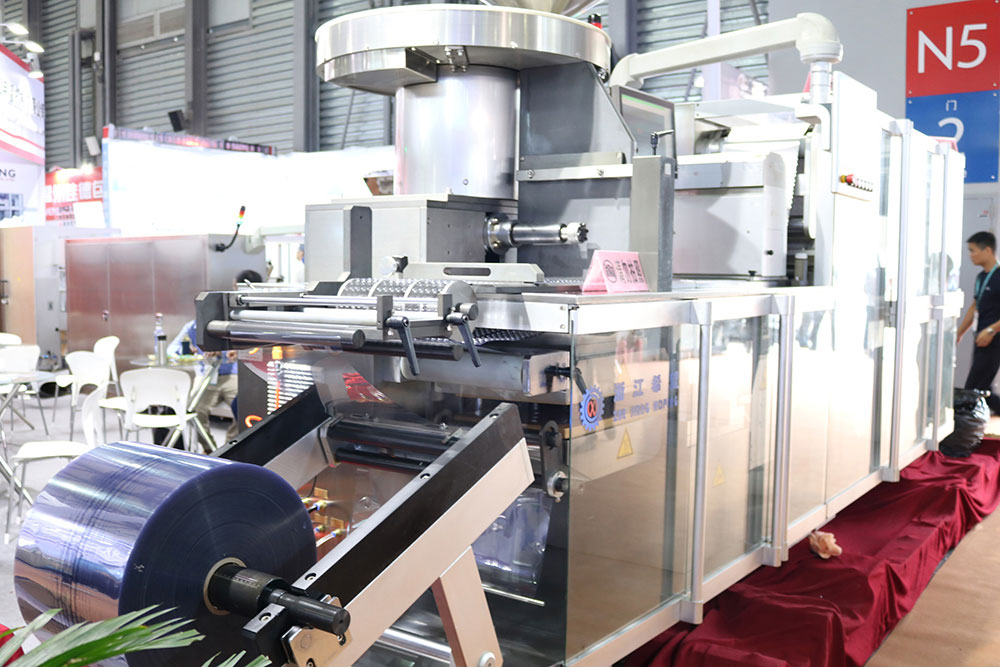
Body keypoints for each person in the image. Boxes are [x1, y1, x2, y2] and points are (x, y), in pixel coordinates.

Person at [168, 269, 263, 449]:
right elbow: (171, 350)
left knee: (244, 406)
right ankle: (209, 448)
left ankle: (230, 446)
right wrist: (191, 354)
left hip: (230, 375)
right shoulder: (191, 328)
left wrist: (226, 352)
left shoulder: (227, 326)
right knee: (195, 409)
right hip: (206, 376)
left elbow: (249, 350)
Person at [957, 231, 1000, 414]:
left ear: (987, 250)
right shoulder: (981, 277)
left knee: (973, 389)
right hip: (981, 339)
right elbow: (975, 306)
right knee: (983, 389)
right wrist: (959, 332)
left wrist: (991, 330)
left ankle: (964, 425)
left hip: (994, 339)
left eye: (973, 250)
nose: (970, 255)